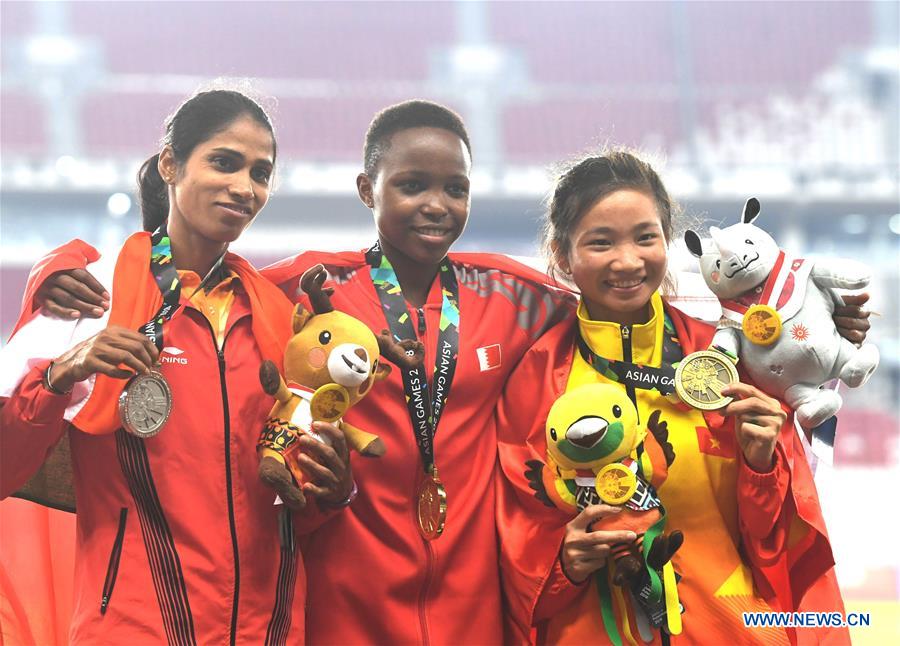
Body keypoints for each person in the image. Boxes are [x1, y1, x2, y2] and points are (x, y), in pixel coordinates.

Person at [21, 105, 869, 645]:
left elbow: (618, 293)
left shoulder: (513, 298)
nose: (434, 203)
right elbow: (191, 281)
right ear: (367, 189)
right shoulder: (302, 289)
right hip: (343, 604)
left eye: (453, 187)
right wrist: (56, 268)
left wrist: (820, 322)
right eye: (412, 184)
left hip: (474, 607)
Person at [0, 88, 354, 644]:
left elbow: (289, 497)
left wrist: (330, 492)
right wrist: (55, 376)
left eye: (260, 173)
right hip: (134, 627)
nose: (244, 187)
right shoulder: (94, 296)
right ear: (170, 162)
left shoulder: (278, 320)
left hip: (270, 627)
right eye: (224, 161)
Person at [495, 150, 848, 645]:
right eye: (601, 242)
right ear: (561, 254)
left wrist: (763, 463)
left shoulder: (726, 356)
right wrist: (564, 563)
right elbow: (517, 538)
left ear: (667, 241)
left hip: (728, 628)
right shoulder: (533, 378)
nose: (628, 261)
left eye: (645, 237)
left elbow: (777, 539)